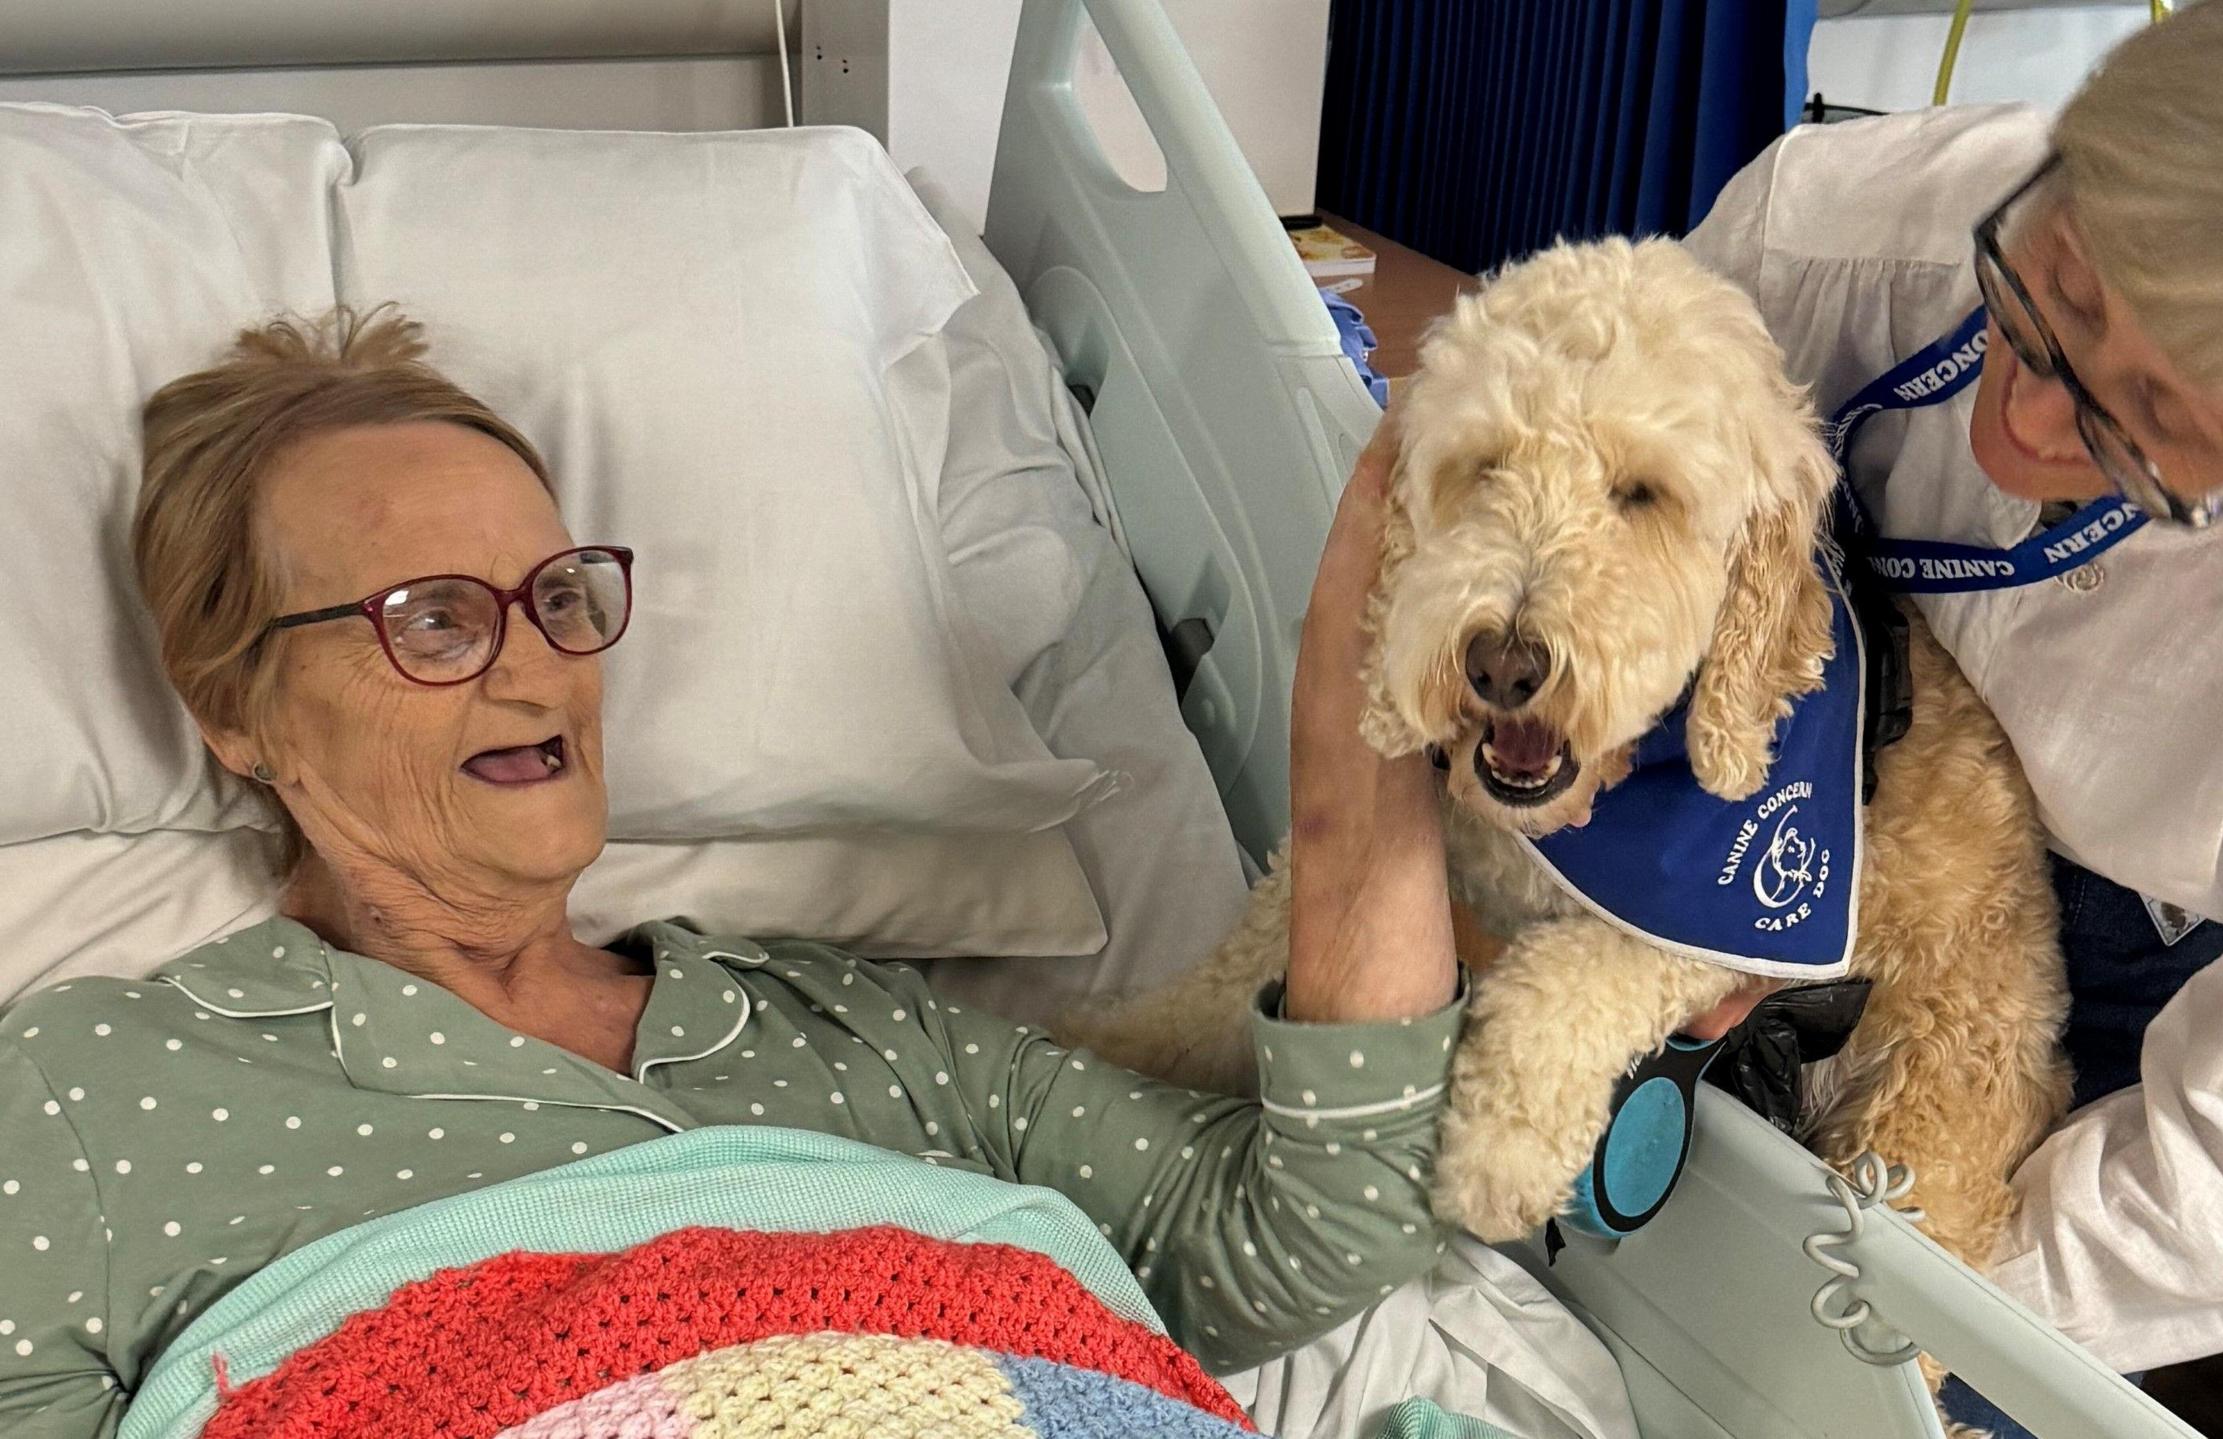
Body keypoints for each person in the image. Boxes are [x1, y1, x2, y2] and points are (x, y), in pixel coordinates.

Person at [0, 307, 1479, 1436]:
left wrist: (1366, 712)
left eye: (556, 598)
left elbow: (1299, 1232)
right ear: (236, 711)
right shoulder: (93, 1093)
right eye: (434, 622)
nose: (535, 676)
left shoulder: (849, 1031)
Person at [1680, 0, 2223, 1431]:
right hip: (1760, 786)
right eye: (2052, 296)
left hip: (2119, 971)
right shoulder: (1850, 226)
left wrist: (1879, 1330)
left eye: (2143, 429)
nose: (2020, 426)